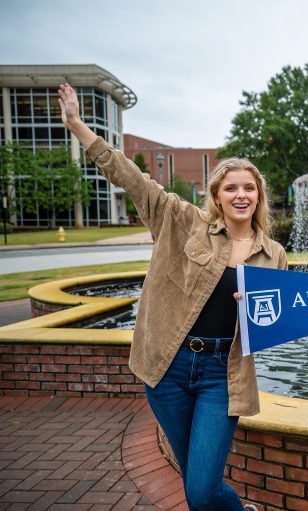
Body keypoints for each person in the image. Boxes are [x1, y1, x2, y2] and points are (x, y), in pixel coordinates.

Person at [58, 83, 286, 511]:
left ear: (259, 197)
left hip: (223, 374)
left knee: (200, 490)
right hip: (169, 367)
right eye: (232, 187)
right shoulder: (182, 221)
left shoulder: (274, 254)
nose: (241, 195)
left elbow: (274, 326)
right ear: (217, 195)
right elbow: (130, 176)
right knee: (196, 483)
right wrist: (78, 127)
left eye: (249, 188)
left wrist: (256, 312)